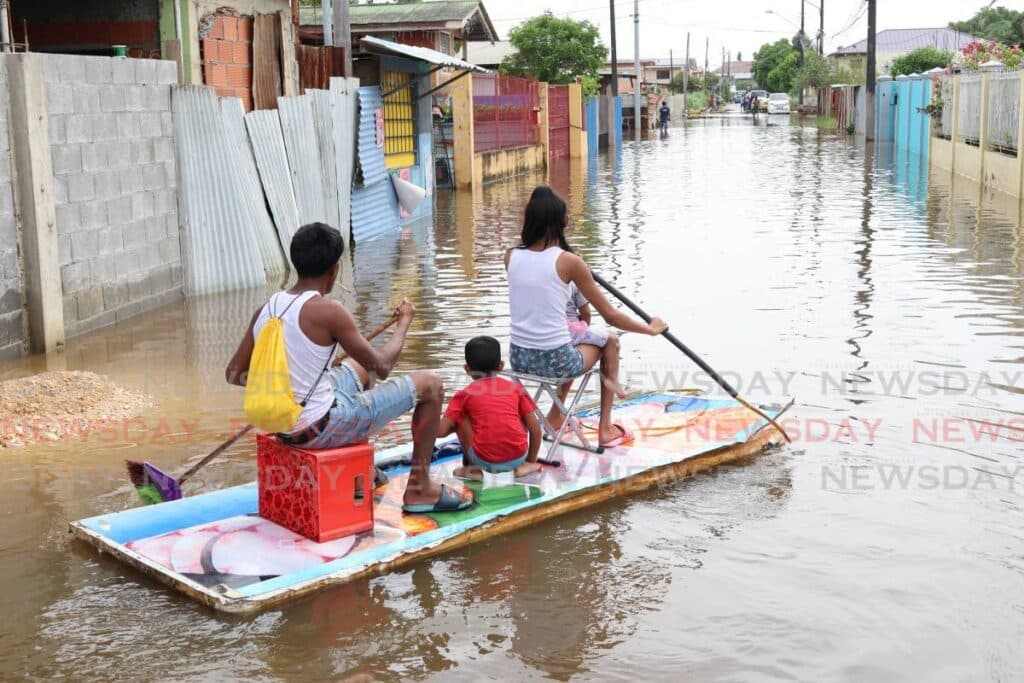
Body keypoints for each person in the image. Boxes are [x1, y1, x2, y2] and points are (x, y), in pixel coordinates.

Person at [225, 222, 473, 513]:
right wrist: (404, 323)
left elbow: (234, 374)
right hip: (321, 428)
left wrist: (283, 382)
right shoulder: (330, 311)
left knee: (360, 369)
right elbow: (383, 367)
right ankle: (420, 488)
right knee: (431, 384)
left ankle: (363, 471)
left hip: (286, 426)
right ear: (334, 269)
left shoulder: (266, 308)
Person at [505, 186, 668, 448]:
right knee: (610, 340)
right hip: (555, 362)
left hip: (519, 358)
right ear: (562, 221)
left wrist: (575, 264)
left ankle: (556, 416)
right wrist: (650, 329)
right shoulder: (569, 262)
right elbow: (611, 316)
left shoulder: (511, 256)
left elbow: (542, 280)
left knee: (570, 338)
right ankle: (605, 429)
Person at [438, 336, 542, 479]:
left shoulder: (463, 395)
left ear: (467, 369)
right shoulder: (516, 389)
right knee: (519, 413)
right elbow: (536, 431)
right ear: (501, 365)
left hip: (483, 461)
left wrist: (433, 408)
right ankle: (525, 467)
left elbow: (440, 432)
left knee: (459, 417)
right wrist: (530, 461)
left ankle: (474, 470)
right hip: (518, 458)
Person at [567, 284, 611, 350]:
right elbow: (586, 314)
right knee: (611, 339)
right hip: (571, 332)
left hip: (553, 331)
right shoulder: (575, 282)